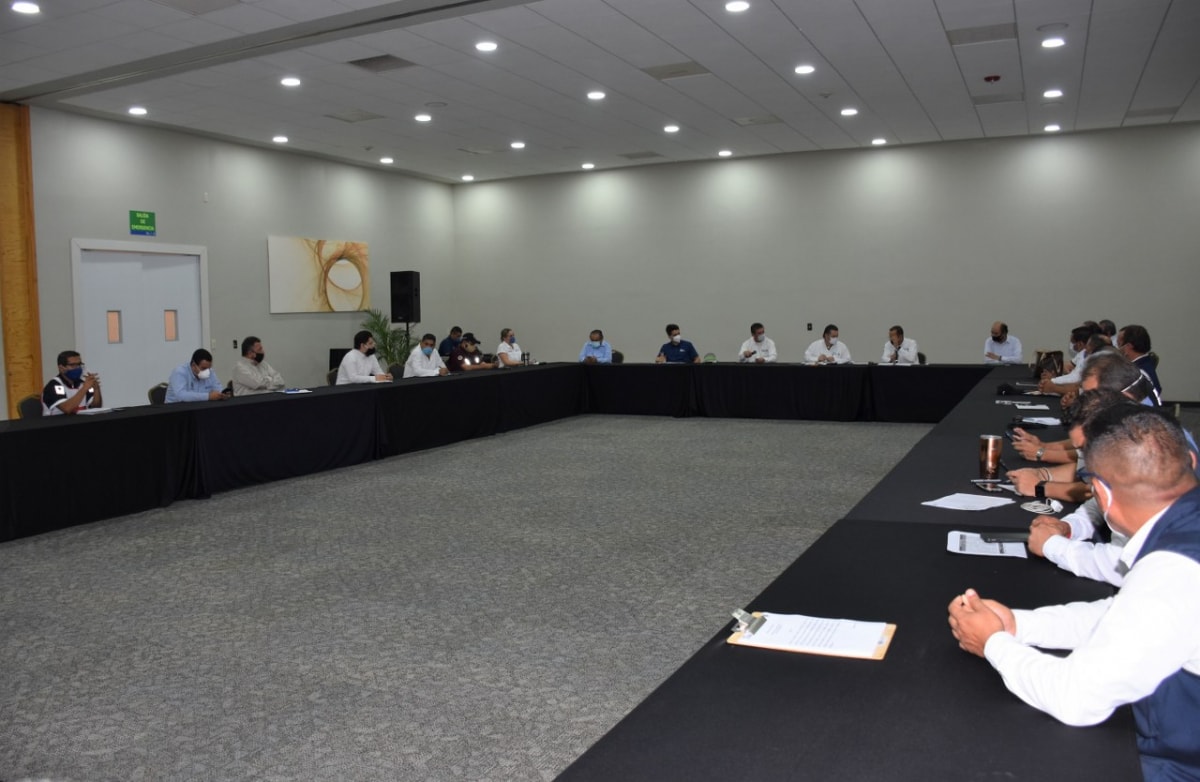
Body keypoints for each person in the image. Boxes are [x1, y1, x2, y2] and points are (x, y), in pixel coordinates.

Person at [947, 406, 1200, 780]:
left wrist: (994, 644)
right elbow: (1127, 614)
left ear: (1102, 495)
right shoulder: (1184, 532)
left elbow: (1076, 698)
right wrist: (1019, 624)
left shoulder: (1174, 571)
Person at [41, 350, 102, 415]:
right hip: (57, 421)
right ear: (61, 368)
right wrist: (84, 388)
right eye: (73, 365)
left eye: (79, 364)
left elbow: (96, 407)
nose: (77, 368)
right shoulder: (54, 385)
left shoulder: (83, 383)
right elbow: (67, 409)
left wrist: (96, 389)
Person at [1117, 324, 1161, 398]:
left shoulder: (1137, 373)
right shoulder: (1146, 364)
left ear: (1128, 346)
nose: (1117, 348)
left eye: (1119, 344)